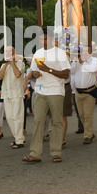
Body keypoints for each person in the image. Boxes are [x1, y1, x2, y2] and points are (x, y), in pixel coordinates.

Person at [22, 27, 70, 163]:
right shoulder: (37, 53)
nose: (42, 41)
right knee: (38, 121)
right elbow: (32, 73)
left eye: (44, 38)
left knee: (57, 122)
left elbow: (65, 74)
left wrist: (47, 69)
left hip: (55, 91)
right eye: (39, 39)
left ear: (51, 39)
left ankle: (56, 152)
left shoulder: (60, 54)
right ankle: (35, 153)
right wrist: (35, 74)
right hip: (40, 91)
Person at [0, 46, 25, 149]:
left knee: (17, 117)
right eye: (6, 52)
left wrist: (13, 62)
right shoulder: (3, 65)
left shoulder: (20, 63)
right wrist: (5, 65)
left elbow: (18, 74)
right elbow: (0, 77)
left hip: (16, 93)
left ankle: (19, 141)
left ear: (14, 53)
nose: (8, 53)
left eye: (10, 52)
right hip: (6, 94)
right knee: (9, 118)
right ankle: (19, 137)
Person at [72, 45, 97, 145]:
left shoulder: (95, 60)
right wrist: (76, 63)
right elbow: (72, 71)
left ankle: (87, 135)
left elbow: (93, 69)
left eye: (86, 51)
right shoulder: (77, 61)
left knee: (88, 115)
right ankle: (90, 132)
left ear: (90, 52)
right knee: (82, 115)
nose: (83, 53)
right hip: (78, 92)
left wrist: (82, 63)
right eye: (82, 51)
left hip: (89, 92)